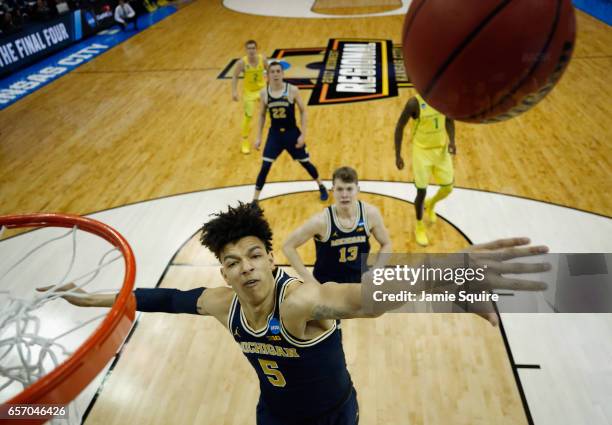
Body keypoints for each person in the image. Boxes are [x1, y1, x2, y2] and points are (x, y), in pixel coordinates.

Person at [46, 203, 549, 425]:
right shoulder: (223, 305)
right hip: (277, 417)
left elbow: (366, 299)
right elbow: (165, 299)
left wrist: (454, 273)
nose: (245, 268)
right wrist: (102, 297)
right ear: (223, 273)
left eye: (253, 254)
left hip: (334, 415)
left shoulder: (300, 302)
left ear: (269, 256)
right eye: (232, 262)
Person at [283, 166, 392, 285]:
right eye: (340, 189)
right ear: (333, 190)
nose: (344, 195)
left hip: (357, 283)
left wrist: (376, 271)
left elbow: (386, 244)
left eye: (349, 189)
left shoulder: (370, 214)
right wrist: (310, 281)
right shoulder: (321, 221)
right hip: (327, 285)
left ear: (358, 190)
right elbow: (288, 246)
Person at [253, 61, 328, 203]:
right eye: (272, 72)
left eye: (278, 71)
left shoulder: (292, 90)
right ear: (267, 75)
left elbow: (303, 111)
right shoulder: (264, 93)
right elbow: (262, 115)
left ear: (282, 73)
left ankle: (321, 185)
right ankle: (254, 200)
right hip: (275, 135)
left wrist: (303, 134)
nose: (275, 74)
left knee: (305, 163)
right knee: (265, 166)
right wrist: (258, 137)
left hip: (291, 134)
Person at [394, 94, 456, 247]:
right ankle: (419, 226)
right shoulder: (414, 103)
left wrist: (452, 140)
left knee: (448, 188)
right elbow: (399, 126)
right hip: (421, 152)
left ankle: (431, 204)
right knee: (421, 192)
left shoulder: (445, 97)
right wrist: (398, 155)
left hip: (441, 150)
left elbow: (449, 120)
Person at [232, 40, 268, 155]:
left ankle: (277, 137)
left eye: (253, 48)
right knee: (248, 116)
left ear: (256, 49)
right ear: (246, 50)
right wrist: (234, 91)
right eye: (249, 48)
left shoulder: (263, 59)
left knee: (271, 113)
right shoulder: (242, 62)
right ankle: (245, 141)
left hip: (262, 91)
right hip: (249, 93)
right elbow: (235, 76)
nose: (251, 50)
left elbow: (270, 71)